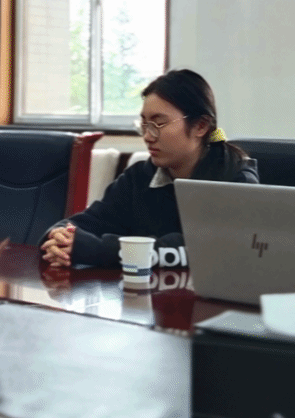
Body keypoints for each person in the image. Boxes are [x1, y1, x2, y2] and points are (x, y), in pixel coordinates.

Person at [41, 68, 259, 268]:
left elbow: (202, 250)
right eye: (144, 124)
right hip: (144, 296)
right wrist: (58, 236)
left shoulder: (236, 180)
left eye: (158, 124)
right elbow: (92, 221)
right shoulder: (139, 177)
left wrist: (97, 250)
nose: (147, 136)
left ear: (200, 126)